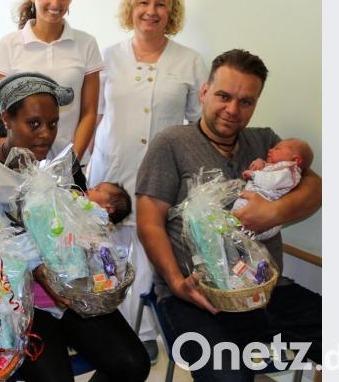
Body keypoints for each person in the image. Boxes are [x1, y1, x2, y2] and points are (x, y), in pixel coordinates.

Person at [136, 49, 322, 381]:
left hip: (267, 291)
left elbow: (315, 189)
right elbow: (149, 223)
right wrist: (177, 284)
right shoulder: (171, 144)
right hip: (195, 297)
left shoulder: (266, 142)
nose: (233, 110)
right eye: (224, 96)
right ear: (205, 91)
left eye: (246, 101)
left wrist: (271, 213)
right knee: (228, 375)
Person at [0, 72, 149, 382]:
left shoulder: (62, 165)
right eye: (34, 124)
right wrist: (34, 269)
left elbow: (82, 218)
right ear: (7, 119)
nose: (45, 134)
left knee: (133, 364)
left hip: (74, 295)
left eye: (53, 123)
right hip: (18, 305)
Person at [87, 0, 207, 362]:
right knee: (106, 249)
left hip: (161, 174)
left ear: (170, 12)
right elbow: (95, 116)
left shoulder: (189, 61)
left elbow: (198, 123)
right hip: (112, 167)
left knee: (149, 249)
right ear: (131, 8)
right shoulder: (107, 57)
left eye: (159, 4)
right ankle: (103, 328)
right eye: (143, 3)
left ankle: (143, 332)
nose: (150, 11)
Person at [0, 0, 103, 160]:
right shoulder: (9, 44)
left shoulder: (87, 44)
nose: (55, 3)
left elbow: (89, 112)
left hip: (69, 164)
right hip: (19, 165)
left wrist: (71, 161)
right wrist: (16, 158)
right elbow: (0, 112)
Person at [232, 138, 314, 241]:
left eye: (277, 148)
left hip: (263, 223)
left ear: (295, 160)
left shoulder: (289, 172)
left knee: (236, 229)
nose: (270, 150)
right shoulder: (276, 167)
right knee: (234, 225)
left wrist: (254, 174)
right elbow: (267, 170)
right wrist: (260, 162)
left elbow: (273, 181)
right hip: (250, 207)